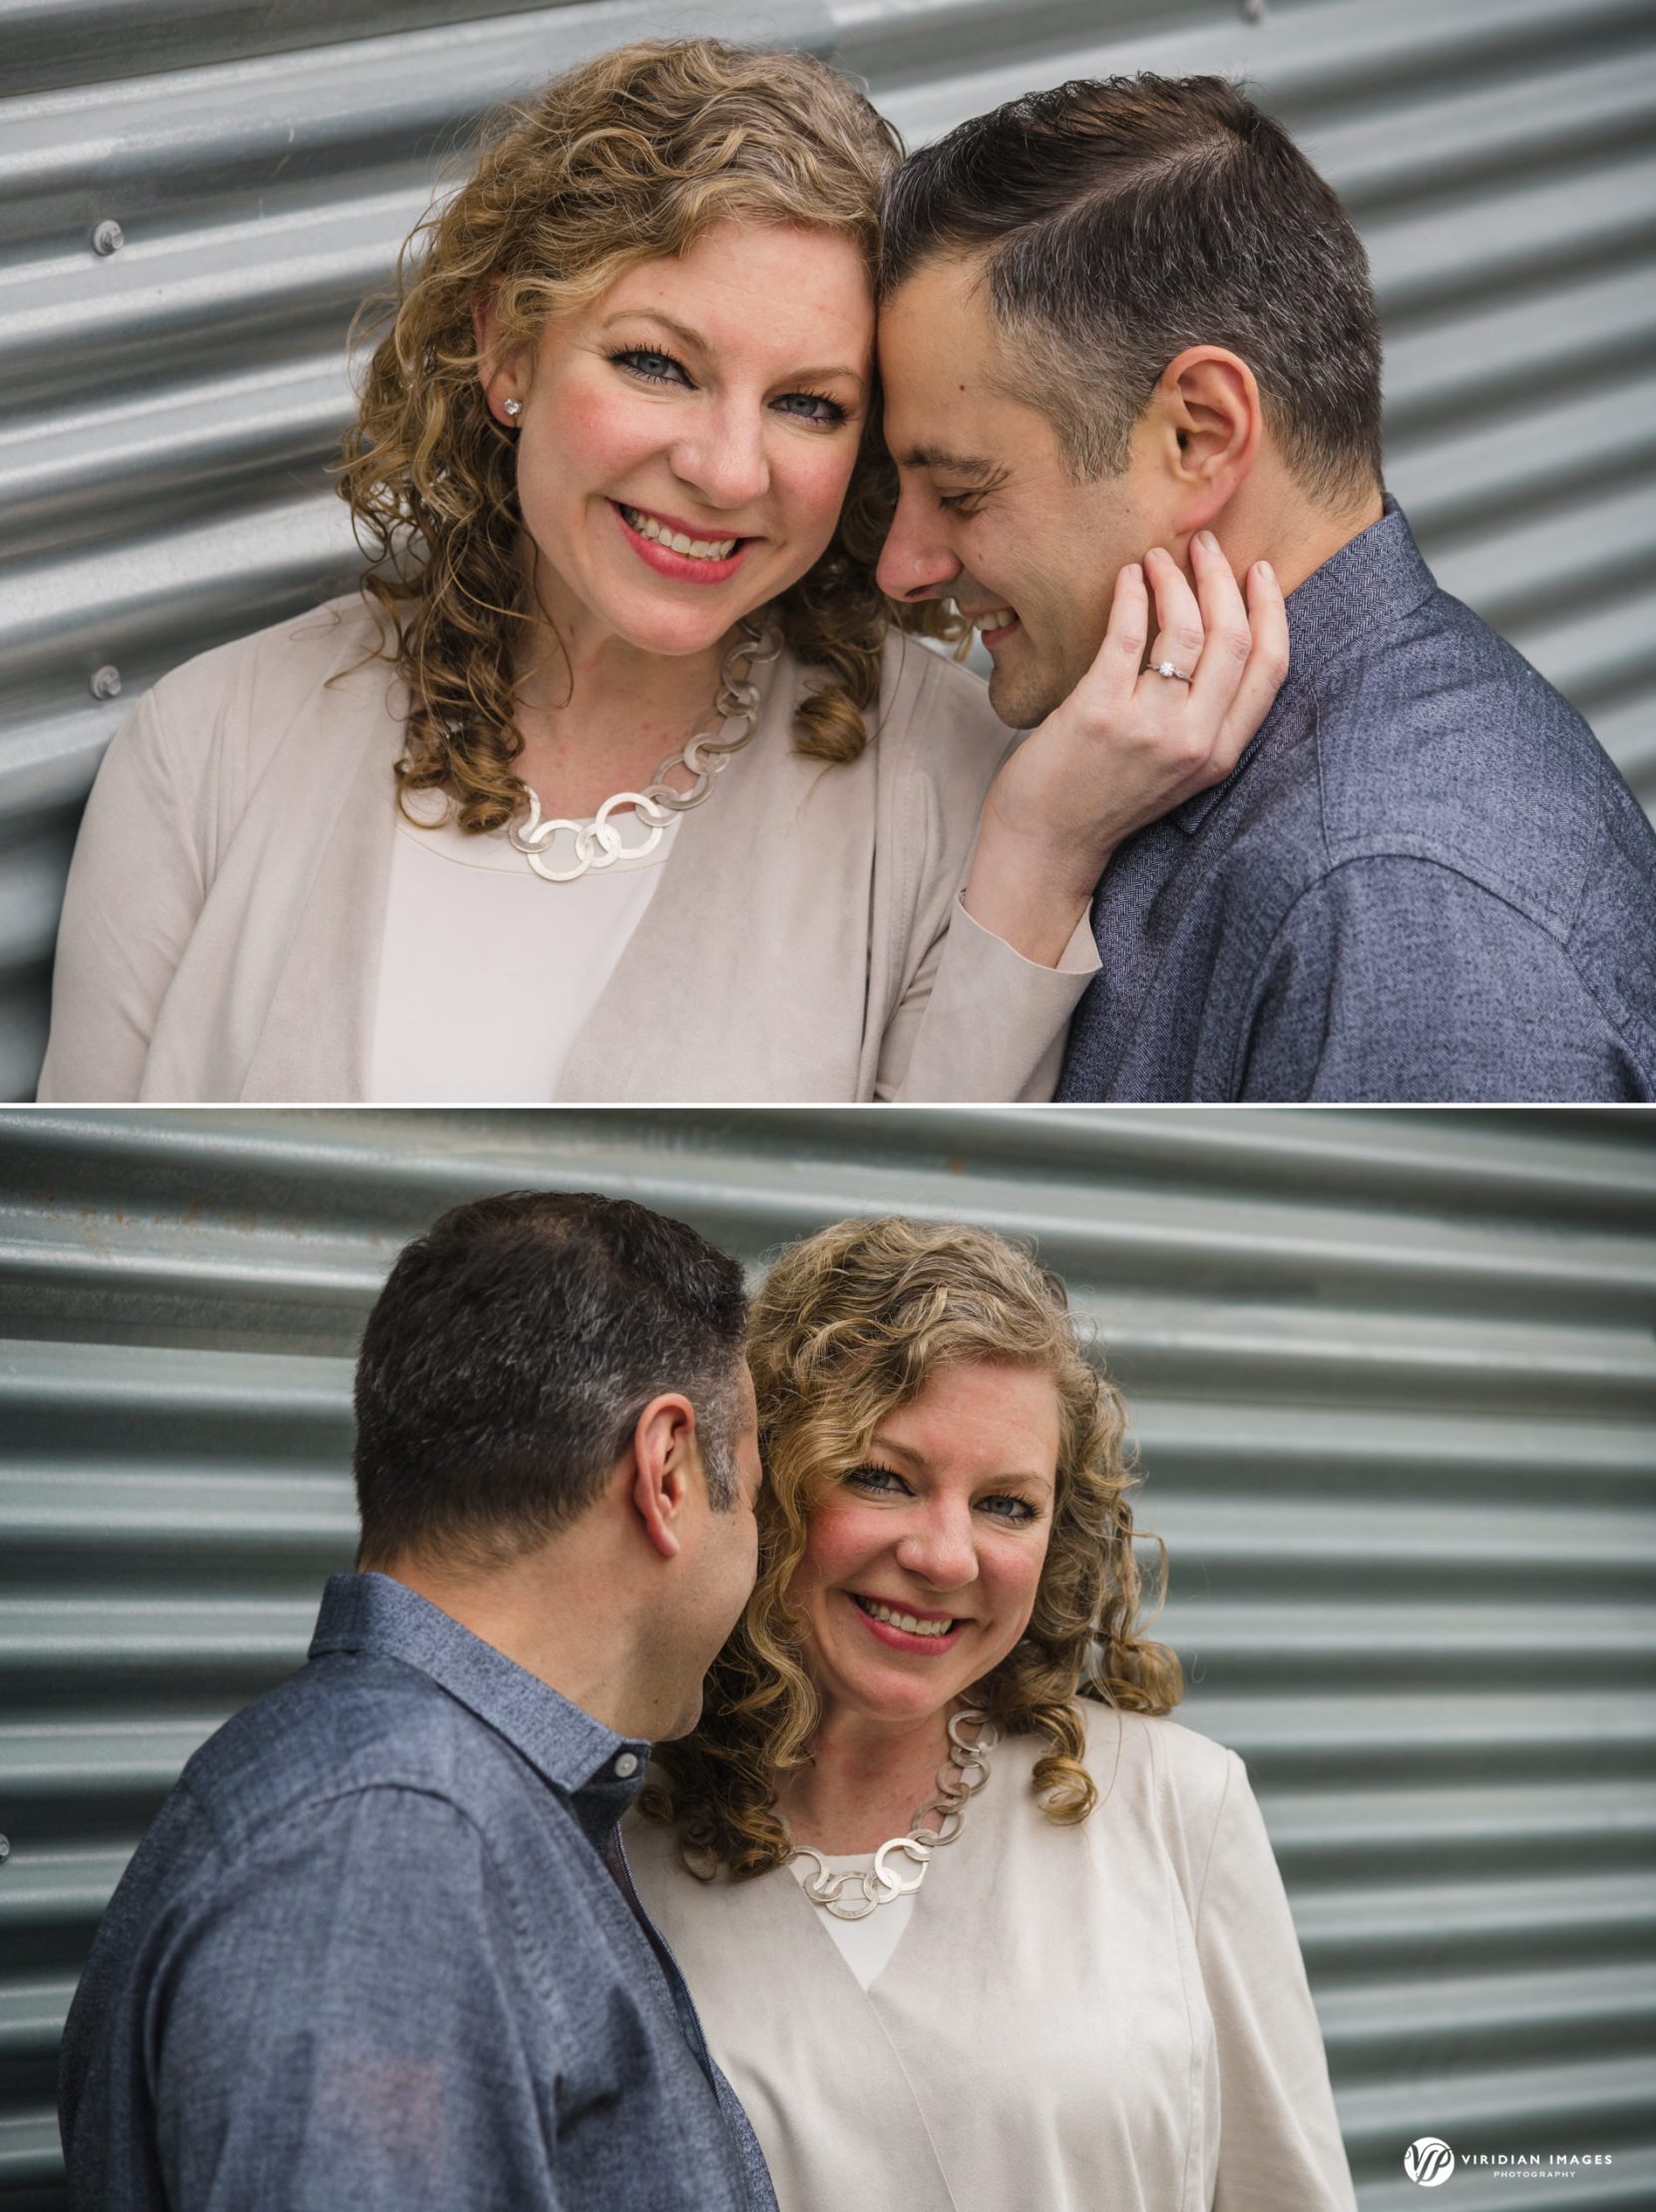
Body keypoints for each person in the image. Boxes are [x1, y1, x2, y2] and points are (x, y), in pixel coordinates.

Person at [35, 41, 1283, 1106]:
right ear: (506, 347)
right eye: (656, 365)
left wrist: (1036, 857)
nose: (730, 469)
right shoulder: (209, 749)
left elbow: (915, 1235)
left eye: (807, 402)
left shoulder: (952, 786)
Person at [874, 74, 1656, 1102]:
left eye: (961, 490)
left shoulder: (1394, 907)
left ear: (1201, 433)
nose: (901, 567)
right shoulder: (1168, 767)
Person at [59, 1189, 778, 2212]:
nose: (757, 1544)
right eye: (747, 1493)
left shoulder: (437, 1807)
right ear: (663, 1473)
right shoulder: (389, 1852)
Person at [625, 1215, 1356, 2212]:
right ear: (766, 1482)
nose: (946, 1557)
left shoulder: (1177, 1806)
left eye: (1006, 1504)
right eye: (882, 1478)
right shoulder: (618, 1831)